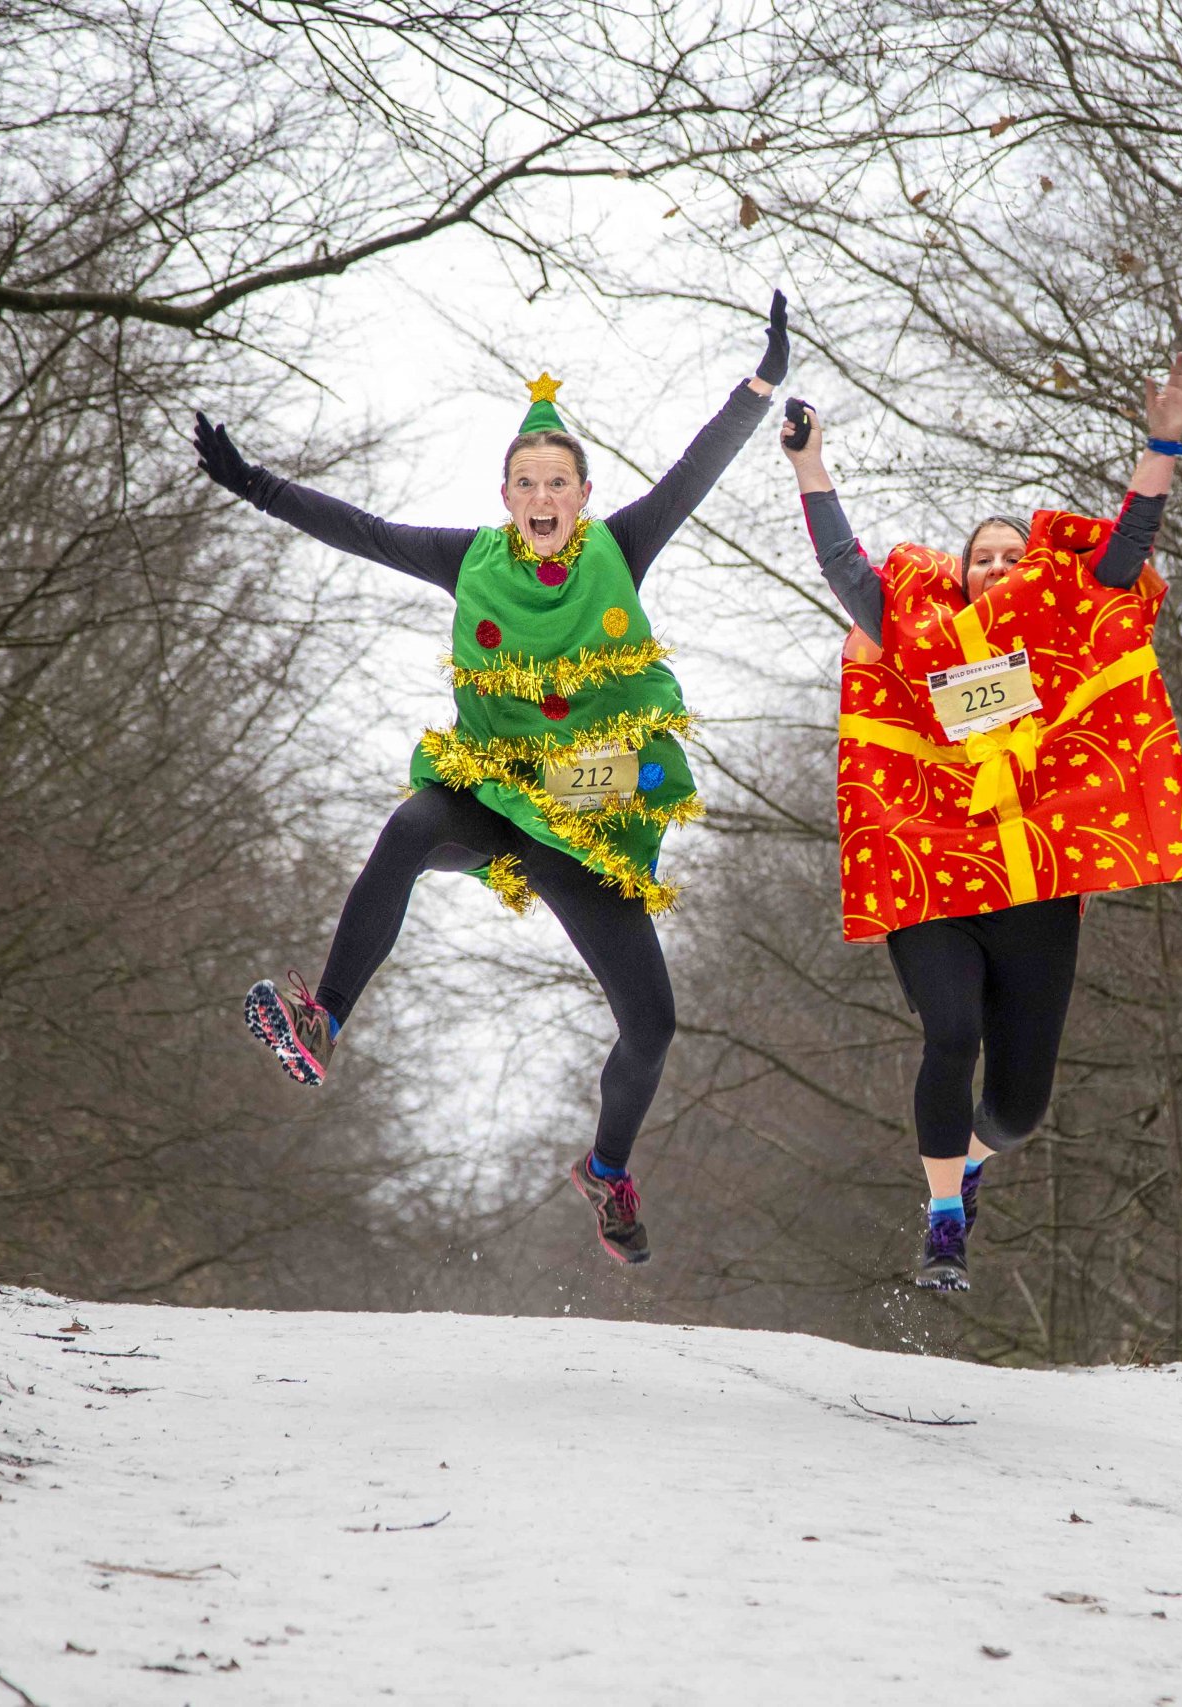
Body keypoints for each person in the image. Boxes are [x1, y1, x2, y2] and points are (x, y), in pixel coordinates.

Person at [191, 292, 791, 1266]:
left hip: (584, 820)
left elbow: (694, 472)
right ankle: (324, 1018)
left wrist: (760, 385)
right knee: (410, 826)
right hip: (490, 792)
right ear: (507, 496)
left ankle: (606, 1171)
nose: (542, 496)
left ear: (582, 496)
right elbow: (361, 528)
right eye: (526, 482)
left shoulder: (620, 548)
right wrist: (254, 484)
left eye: (558, 481)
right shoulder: (466, 559)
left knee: (652, 1027)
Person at [781, 353, 1182, 1289]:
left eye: (1016, 556)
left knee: (1016, 1110)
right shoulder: (915, 629)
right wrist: (810, 464)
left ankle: (969, 1162)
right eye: (984, 557)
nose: (1001, 567)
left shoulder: (1066, 621)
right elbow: (846, 566)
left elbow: (1126, 548)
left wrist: (1164, 440)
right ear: (961, 574)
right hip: (934, 876)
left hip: (1036, 884)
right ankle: (943, 1227)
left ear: (1039, 571)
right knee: (950, 1034)